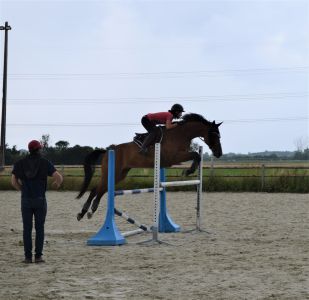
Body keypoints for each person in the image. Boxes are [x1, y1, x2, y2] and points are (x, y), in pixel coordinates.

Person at [11, 140, 63, 264]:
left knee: (27, 229)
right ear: (39, 149)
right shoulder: (45, 162)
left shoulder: (20, 163)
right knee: (40, 229)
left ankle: (28, 257)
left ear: (29, 150)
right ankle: (38, 257)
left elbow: (13, 181)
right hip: (40, 199)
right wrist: (57, 184)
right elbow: (58, 177)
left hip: (26, 200)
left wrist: (22, 190)